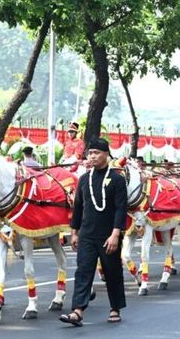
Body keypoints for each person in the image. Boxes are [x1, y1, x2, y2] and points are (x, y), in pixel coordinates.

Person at [60, 138, 127, 326]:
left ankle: (115, 308)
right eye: (90, 153)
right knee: (83, 271)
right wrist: (74, 232)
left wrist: (115, 234)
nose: (93, 156)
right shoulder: (84, 179)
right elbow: (78, 208)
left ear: (106, 154)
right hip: (87, 234)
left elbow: (121, 208)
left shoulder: (117, 179)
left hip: (108, 235)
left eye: (97, 153)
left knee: (112, 272)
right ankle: (77, 311)